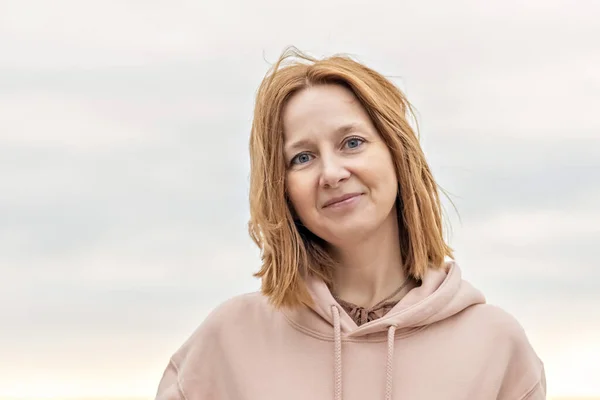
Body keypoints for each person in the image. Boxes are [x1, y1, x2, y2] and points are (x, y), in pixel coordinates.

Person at [154, 47, 546, 400]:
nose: (332, 172)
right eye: (302, 158)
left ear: (397, 153)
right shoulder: (229, 341)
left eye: (352, 142)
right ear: (282, 190)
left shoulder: (495, 345)